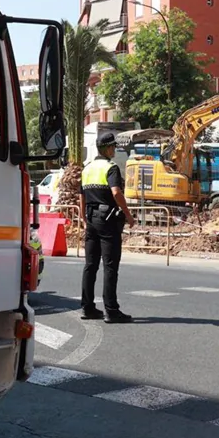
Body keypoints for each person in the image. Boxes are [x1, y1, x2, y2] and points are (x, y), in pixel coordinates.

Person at [79, 131, 134, 323]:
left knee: (90, 265)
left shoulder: (87, 168)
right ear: (108, 148)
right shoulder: (111, 168)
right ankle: (111, 310)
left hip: (91, 219)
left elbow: (82, 195)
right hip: (108, 221)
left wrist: (82, 216)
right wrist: (127, 213)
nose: (114, 151)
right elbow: (116, 192)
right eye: (113, 147)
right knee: (110, 266)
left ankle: (87, 308)